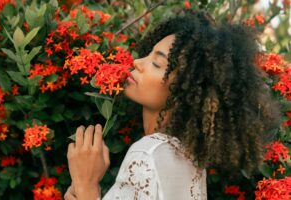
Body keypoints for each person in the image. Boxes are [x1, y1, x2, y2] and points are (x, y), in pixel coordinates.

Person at [64, 9, 282, 200]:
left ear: (184, 92)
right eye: (147, 55)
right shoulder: (191, 161)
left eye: (157, 63)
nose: (137, 63)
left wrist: (86, 185)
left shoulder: (147, 154)